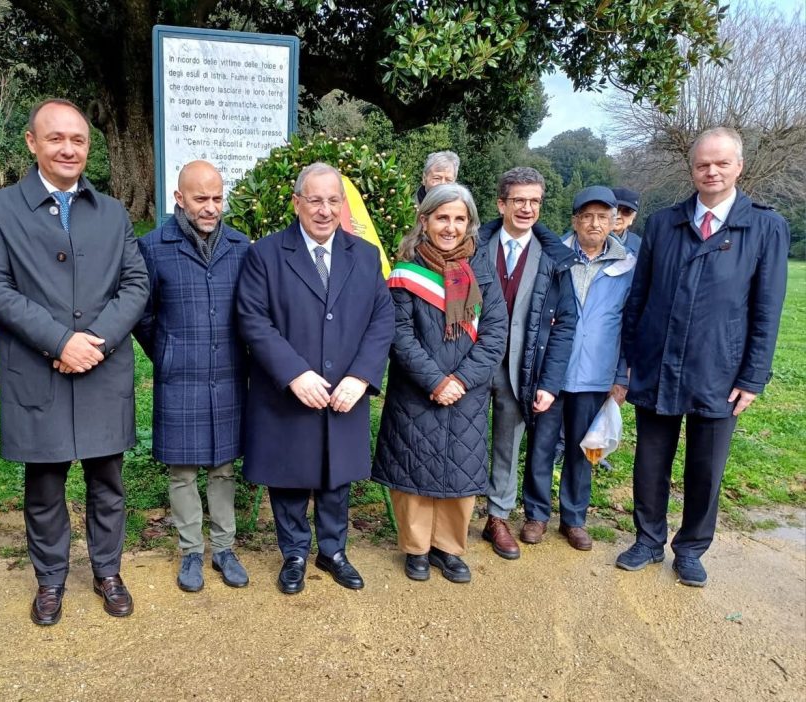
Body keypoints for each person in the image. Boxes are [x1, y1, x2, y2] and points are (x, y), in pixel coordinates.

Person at [0, 98, 149, 624]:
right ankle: (50, 581)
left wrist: (93, 340)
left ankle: (107, 571)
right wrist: (59, 341)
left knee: (108, 482)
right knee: (45, 486)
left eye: (77, 140)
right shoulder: (0, 209)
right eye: (56, 138)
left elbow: (136, 283)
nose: (68, 148)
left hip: (102, 367)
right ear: (32, 143)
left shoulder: (114, 212)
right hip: (40, 370)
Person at [617, 127, 789, 586]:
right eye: (702, 164)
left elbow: (767, 309)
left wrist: (753, 377)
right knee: (650, 460)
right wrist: (631, 355)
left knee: (706, 468)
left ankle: (691, 548)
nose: (711, 172)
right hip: (657, 363)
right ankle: (648, 540)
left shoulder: (765, 226)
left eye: (721, 163)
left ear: (739, 167)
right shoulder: (662, 223)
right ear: (691, 169)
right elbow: (639, 296)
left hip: (720, 367)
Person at [236, 162, 394, 594]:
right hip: (287, 391)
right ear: (297, 203)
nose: (324, 210)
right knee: (288, 473)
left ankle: (333, 550)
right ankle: (293, 553)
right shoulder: (265, 254)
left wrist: (361, 377)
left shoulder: (363, 255)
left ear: (342, 205)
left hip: (345, 388)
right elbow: (253, 320)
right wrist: (294, 373)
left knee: (336, 475)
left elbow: (383, 319)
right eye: (315, 200)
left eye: (332, 200)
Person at [373, 184, 507, 582]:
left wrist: (462, 379)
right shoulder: (405, 268)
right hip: (418, 389)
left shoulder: (480, 268)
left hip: (467, 390)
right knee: (413, 469)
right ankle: (415, 548)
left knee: (459, 471)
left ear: (470, 224)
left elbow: (496, 331)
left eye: (459, 219)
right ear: (425, 220)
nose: (450, 227)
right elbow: (398, 333)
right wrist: (434, 380)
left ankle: (448, 548)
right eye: (442, 217)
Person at [134, 160, 250, 592]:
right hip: (178, 375)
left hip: (229, 373)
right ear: (178, 198)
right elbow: (142, 315)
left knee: (223, 467)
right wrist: (167, 352)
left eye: (218, 198)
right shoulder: (153, 246)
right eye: (201, 198)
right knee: (181, 471)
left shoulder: (241, 246)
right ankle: (189, 552)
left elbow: (251, 312)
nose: (211, 207)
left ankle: (224, 547)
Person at [521, 187, 636, 550]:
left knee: (584, 449)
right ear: (575, 220)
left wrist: (621, 377)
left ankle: (574, 517)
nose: (595, 223)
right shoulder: (552, 255)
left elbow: (629, 325)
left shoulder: (628, 264)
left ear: (614, 221)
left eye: (603, 216)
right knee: (541, 445)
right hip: (551, 373)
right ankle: (536, 515)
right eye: (587, 216)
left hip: (597, 374)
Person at [476, 167, 578, 560]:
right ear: (501, 203)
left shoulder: (554, 259)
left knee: (507, 443)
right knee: (463, 440)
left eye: (534, 201)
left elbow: (567, 322)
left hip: (522, 368)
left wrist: (550, 383)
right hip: (471, 362)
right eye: (518, 200)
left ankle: (497, 516)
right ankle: (454, 510)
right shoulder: (472, 246)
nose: (527, 208)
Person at [611, 187, 642, 255]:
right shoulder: (589, 239)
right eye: (614, 209)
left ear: (633, 217)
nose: (618, 216)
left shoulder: (640, 246)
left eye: (627, 211)